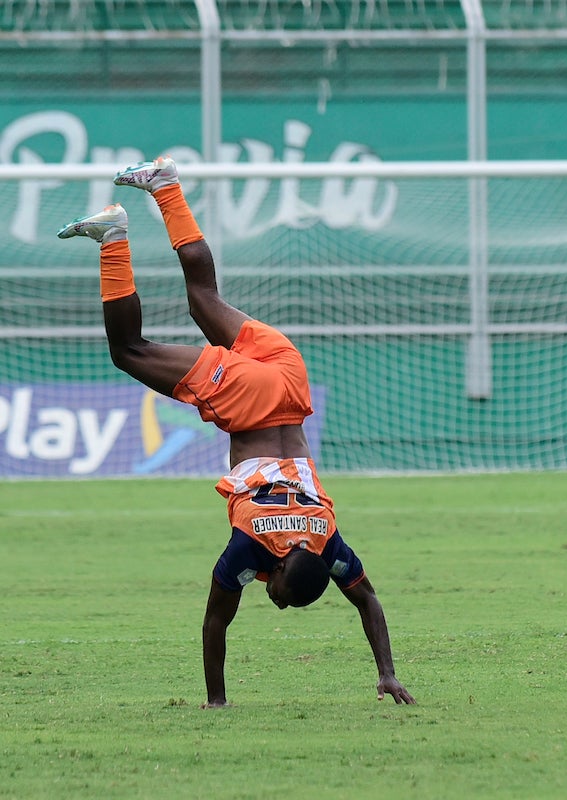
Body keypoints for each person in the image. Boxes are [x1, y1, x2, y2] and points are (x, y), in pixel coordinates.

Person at [58, 155, 417, 707]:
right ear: (274, 570)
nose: (272, 602)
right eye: (276, 594)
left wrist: (389, 671)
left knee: (204, 299)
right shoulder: (251, 546)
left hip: (289, 375)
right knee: (131, 352)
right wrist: (217, 701)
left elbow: (369, 600)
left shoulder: (326, 540)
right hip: (247, 398)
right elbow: (214, 622)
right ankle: (113, 239)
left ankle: (166, 186)